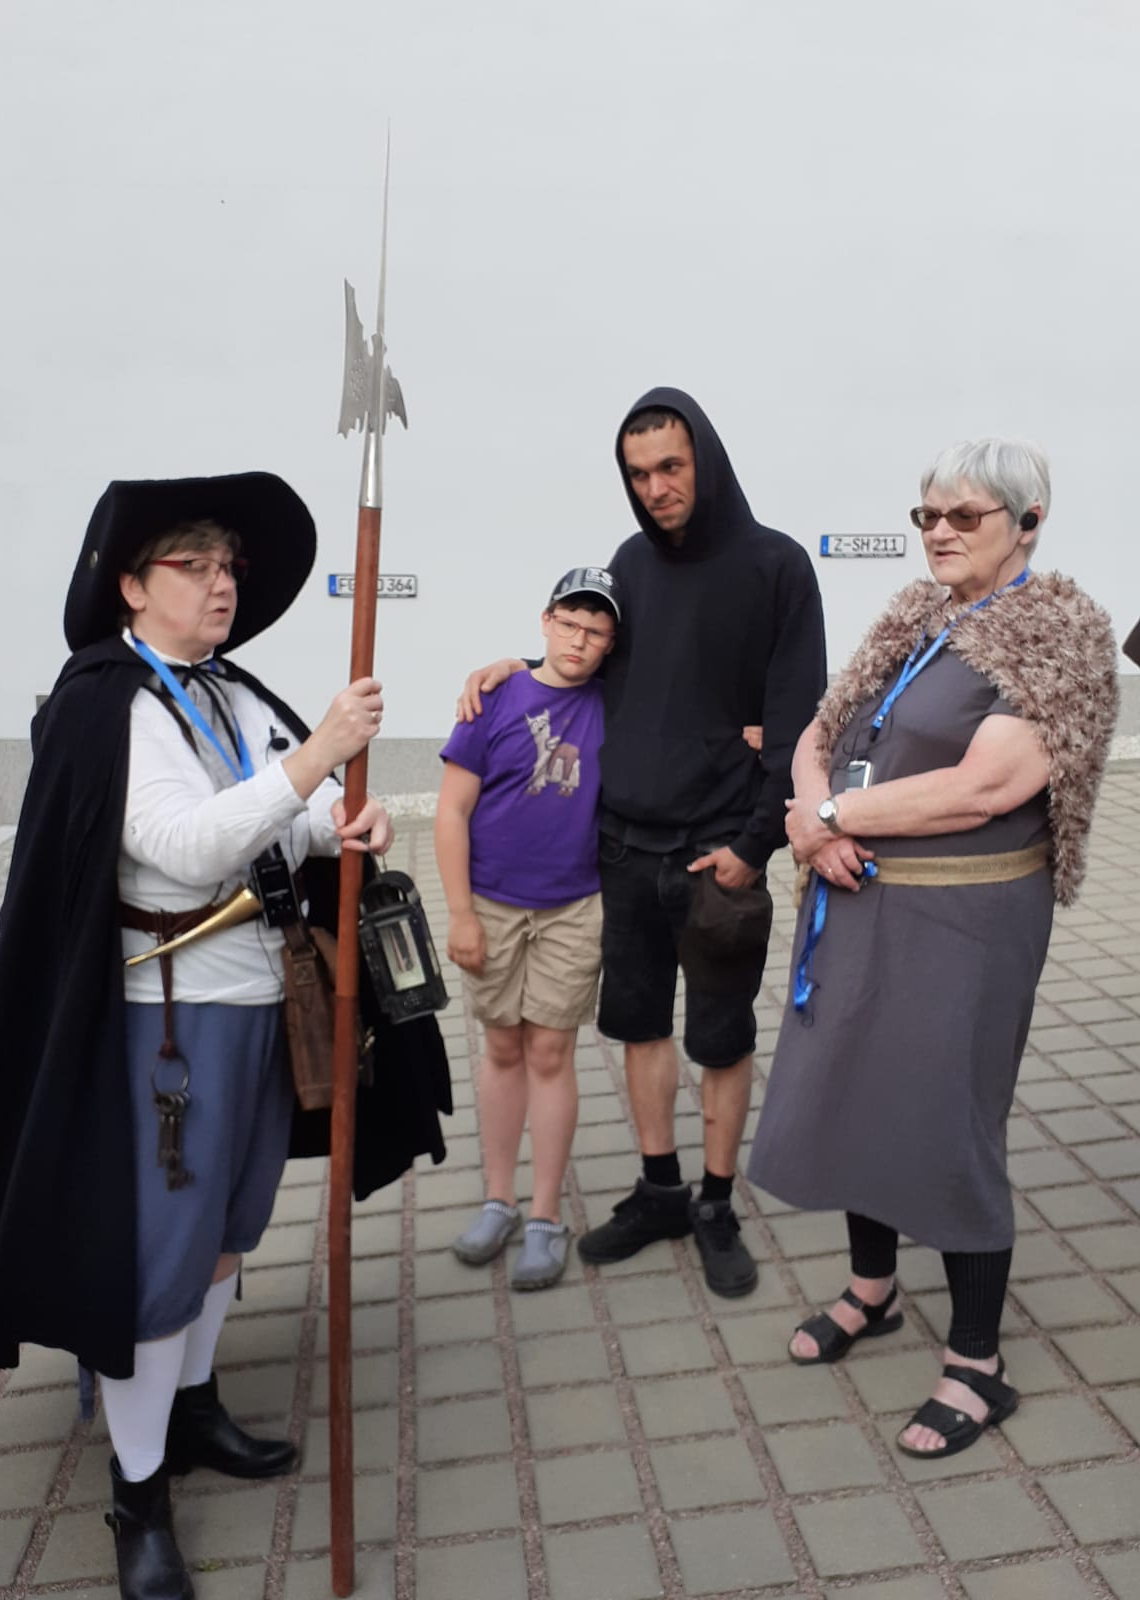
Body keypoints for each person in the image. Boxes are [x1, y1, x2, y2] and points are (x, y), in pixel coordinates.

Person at [0, 473, 445, 1600]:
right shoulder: (107, 706)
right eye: (196, 566)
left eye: (230, 567)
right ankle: (138, 1493)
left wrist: (342, 820)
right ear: (132, 585)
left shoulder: (230, 692)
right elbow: (184, 844)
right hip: (166, 1026)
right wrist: (317, 756)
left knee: (227, 1232)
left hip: (264, 1004)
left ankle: (196, 1403)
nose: (222, 585)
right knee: (161, 1261)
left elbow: (283, 821)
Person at [747, 438, 1117, 1458]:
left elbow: (987, 786)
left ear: (1028, 523)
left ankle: (977, 1365)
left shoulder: (1060, 634)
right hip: (860, 897)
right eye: (928, 516)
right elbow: (820, 729)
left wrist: (829, 814)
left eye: (964, 516)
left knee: (950, 1117)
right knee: (855, 1089)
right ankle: (873, 1289)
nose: (939, 533)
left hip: (966, 923)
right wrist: (816, 821)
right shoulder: (920, 613)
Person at [459, 389, 826, 1297]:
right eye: (638, 474)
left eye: (670, 467)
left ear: (705, 460)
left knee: (722, 1037)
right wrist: (519, 670)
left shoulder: (776, 566)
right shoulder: (629, 562)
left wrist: (754, 847)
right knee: (640, 1027)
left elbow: (796, 721)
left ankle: (715, 1202)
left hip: (719, 855)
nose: (655, 487)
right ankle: (661, 1189)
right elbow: (591, 665)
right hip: (621, 849)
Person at [439, 568, 619, 1290]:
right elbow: (452, 811)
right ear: (545, 620)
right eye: (569, 624)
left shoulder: (614, 702)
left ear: (612, 644)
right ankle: (498, 1200)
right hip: (490, 901)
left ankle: (544, 1213)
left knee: (550, 1049)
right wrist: (459, 913)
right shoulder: (494, 699)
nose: (580, 640)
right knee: (501, 1044)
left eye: (597, 632)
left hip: (575, 903)